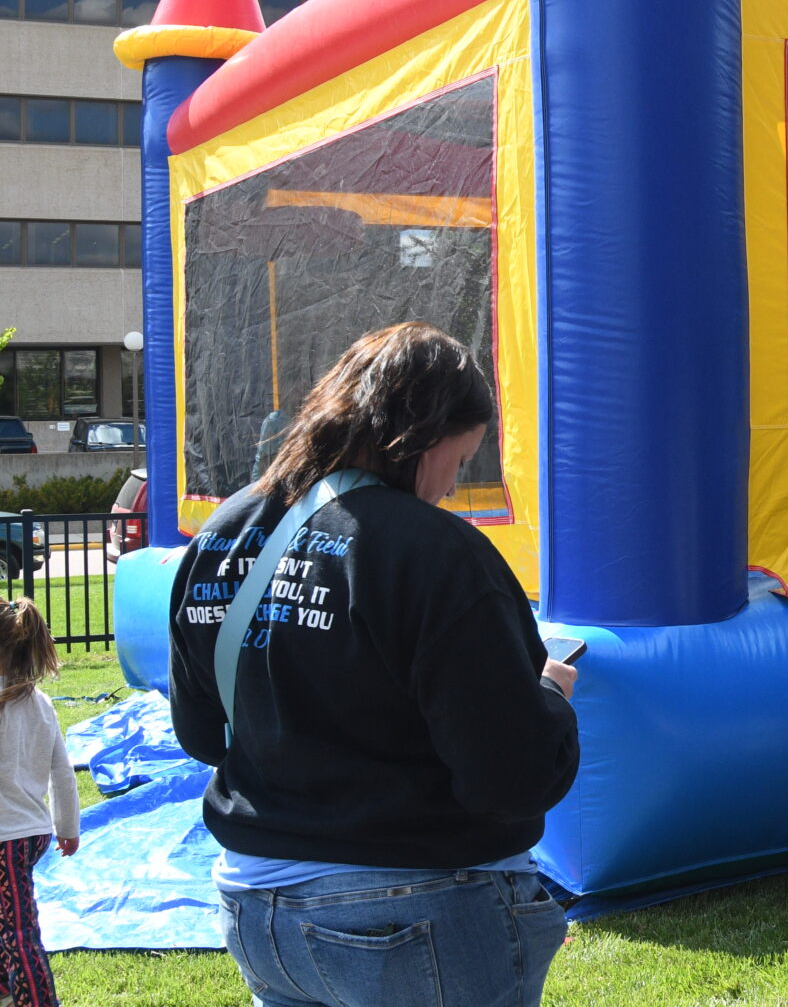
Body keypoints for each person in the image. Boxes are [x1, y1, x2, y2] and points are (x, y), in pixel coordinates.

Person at [168, 322, 581, 1007]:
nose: (452, 486)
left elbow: (205, 735)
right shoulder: (436, 553)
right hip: (419, 902)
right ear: (421, 440)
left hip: (257, 906)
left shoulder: (226, 531)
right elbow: (510, 776)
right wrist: (550, 702)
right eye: (461, 459)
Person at [0, 599, 78, 1007]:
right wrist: (67, 828)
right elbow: (61, 773)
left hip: (7, 839)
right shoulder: (41, 704)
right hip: (31, 834)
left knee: (17, 930)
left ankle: (35, 999)